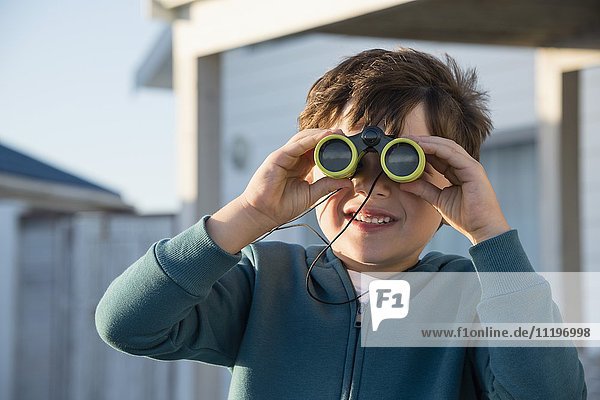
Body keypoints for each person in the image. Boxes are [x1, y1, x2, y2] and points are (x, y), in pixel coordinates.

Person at [96, 48, 586, 399]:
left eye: (404, 161)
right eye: (344, 159)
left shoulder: (474, 301)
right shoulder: (265, 281)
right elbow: (127, 324)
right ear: (310, 163)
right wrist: (252, 213)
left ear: (452, 179)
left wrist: (490, 236)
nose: (372, 185)